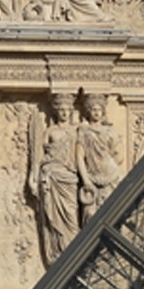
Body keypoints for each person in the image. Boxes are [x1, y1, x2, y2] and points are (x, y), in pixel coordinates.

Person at [28, 93, 80, 264]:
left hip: (70, 178)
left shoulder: (78, 130)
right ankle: (58, 252)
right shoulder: (50, 131)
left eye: (67, 110)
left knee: (71, 219)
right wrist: (33, 177)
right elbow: (38, 156)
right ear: (56, 111)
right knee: (53, 219)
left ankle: (73, 252)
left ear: (72, 111)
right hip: (51, 175)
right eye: (61, 110)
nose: (64, 113)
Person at [75, 92, 122, 226]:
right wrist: (86, 180)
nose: (96, 112)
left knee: (111, 215)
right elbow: (79, 156)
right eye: (93, 109)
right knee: (90, 215)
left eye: (99, 110)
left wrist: (111, 168)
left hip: (110, 177)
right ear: (88, 111)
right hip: (91, 178)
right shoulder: (84, 131)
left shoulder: (110, 131)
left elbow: (118, 155)